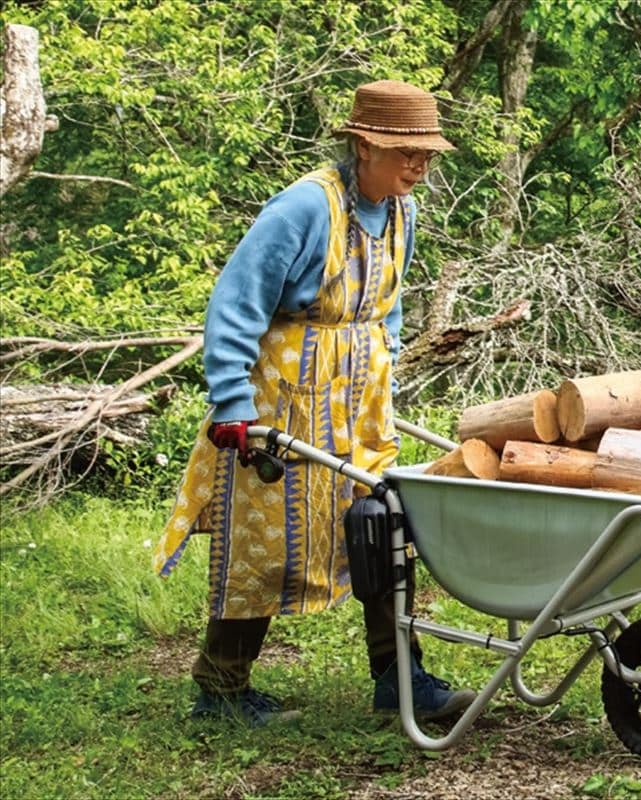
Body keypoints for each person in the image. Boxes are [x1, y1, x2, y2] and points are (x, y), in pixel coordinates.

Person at [154, 80, 474, 726]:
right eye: (404, 152)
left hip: (358, 405)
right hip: (285, 400)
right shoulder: (305, 208)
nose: (418, 166)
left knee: (384, 521)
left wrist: (382, 363)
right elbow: (235, 302)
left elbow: (388, 304)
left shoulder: (403, 214)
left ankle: (398, 678)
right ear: (362, 144)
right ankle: (219, 692)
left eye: (426, 156)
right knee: (265, 543)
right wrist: (232, 403)